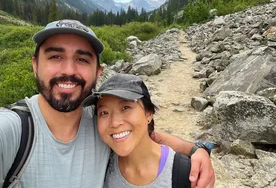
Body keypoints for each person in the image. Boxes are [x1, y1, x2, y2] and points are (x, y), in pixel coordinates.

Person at [0, 19, 215, 188]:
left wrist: (197, 150)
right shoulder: (11, 131)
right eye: (55, 56)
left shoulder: (100, 119)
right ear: (35, 65)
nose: (68, 70)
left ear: (98, 72)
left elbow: (145, 133)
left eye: (82, 59)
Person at [83, 73, 192, 187]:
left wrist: (198, 149)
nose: (115, 123)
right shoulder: (103, 164)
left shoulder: (187, 174)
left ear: (148, 113)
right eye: (104, 112)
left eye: (126, 107)